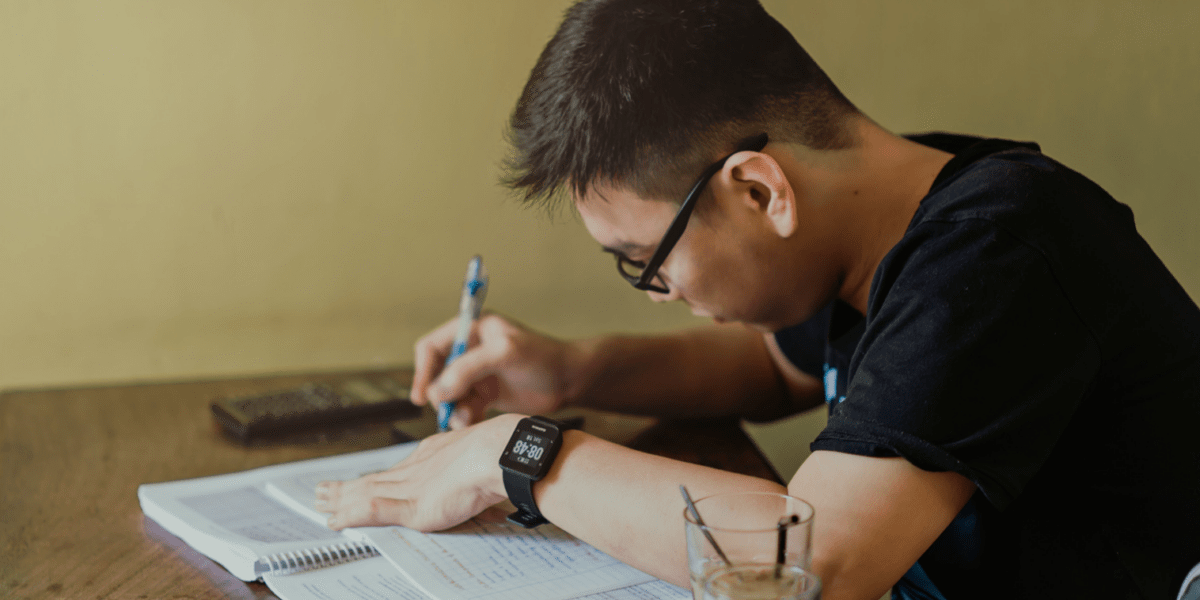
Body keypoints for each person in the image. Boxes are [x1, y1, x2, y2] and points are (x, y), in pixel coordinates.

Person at [314, 1, 1200, 598]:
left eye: (646, 262)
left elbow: (816, 559)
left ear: (761, 191)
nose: (657, 295)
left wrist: (518, 454)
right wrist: (572, 369)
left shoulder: (1000, 247)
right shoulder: (888, 210)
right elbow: (777, 370)